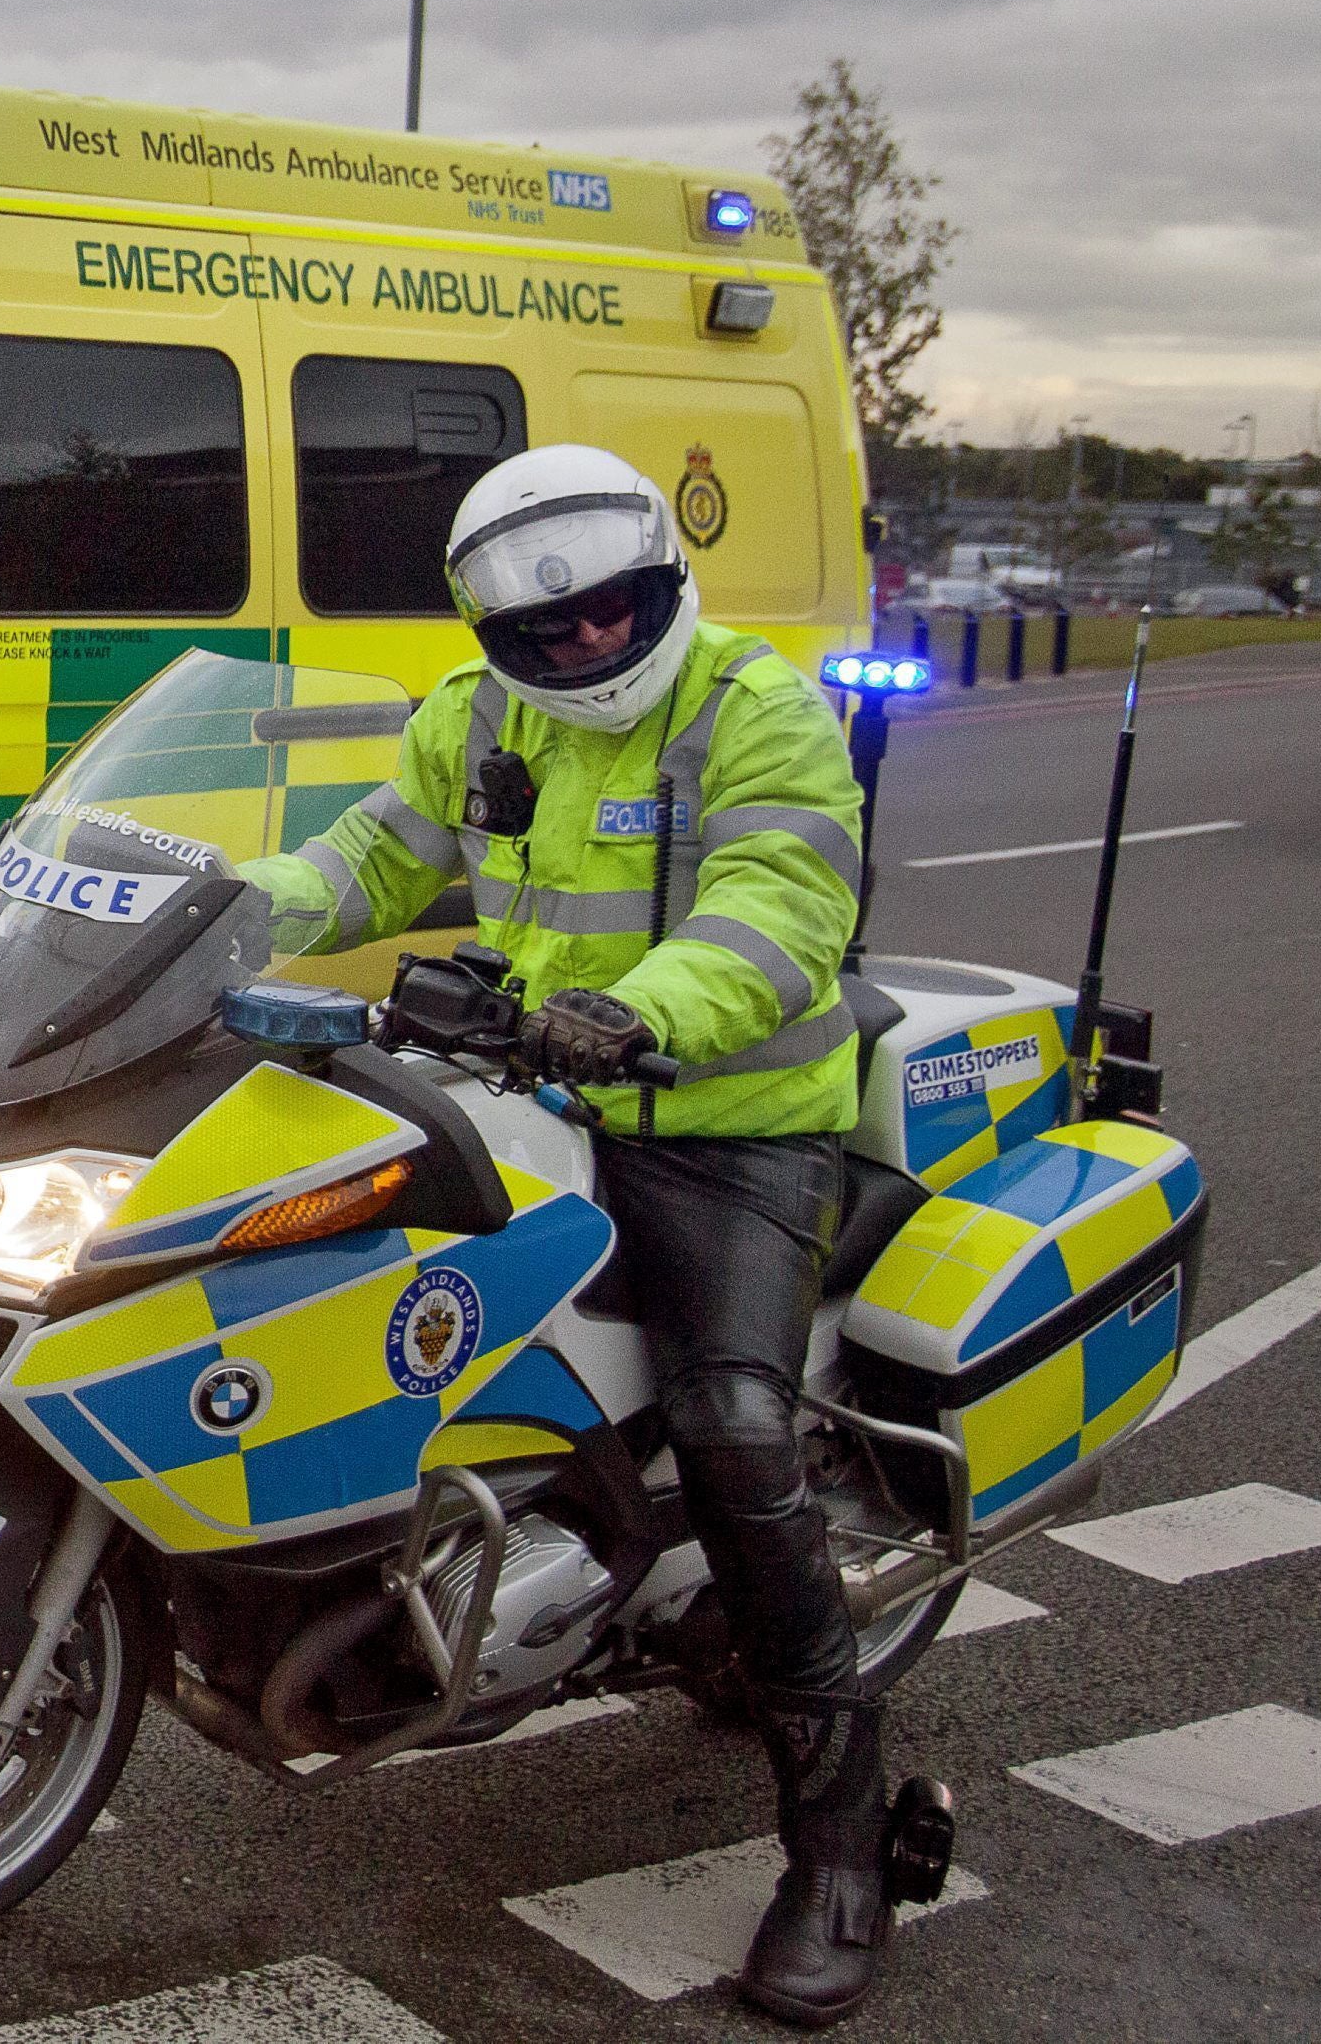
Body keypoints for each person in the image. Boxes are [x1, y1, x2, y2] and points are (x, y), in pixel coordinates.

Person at [239, 442, 891, 2029]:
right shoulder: (471, 715)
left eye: (612, 613)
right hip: (532, 1096)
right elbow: (365, 860)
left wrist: (639, 1010)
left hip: (729, 1125)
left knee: (736, 1424)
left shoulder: (757, 704)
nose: (586, 644)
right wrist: (194, 910)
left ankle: (843, 1843)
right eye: (549, 630)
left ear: (659, 583)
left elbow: (781, 904)